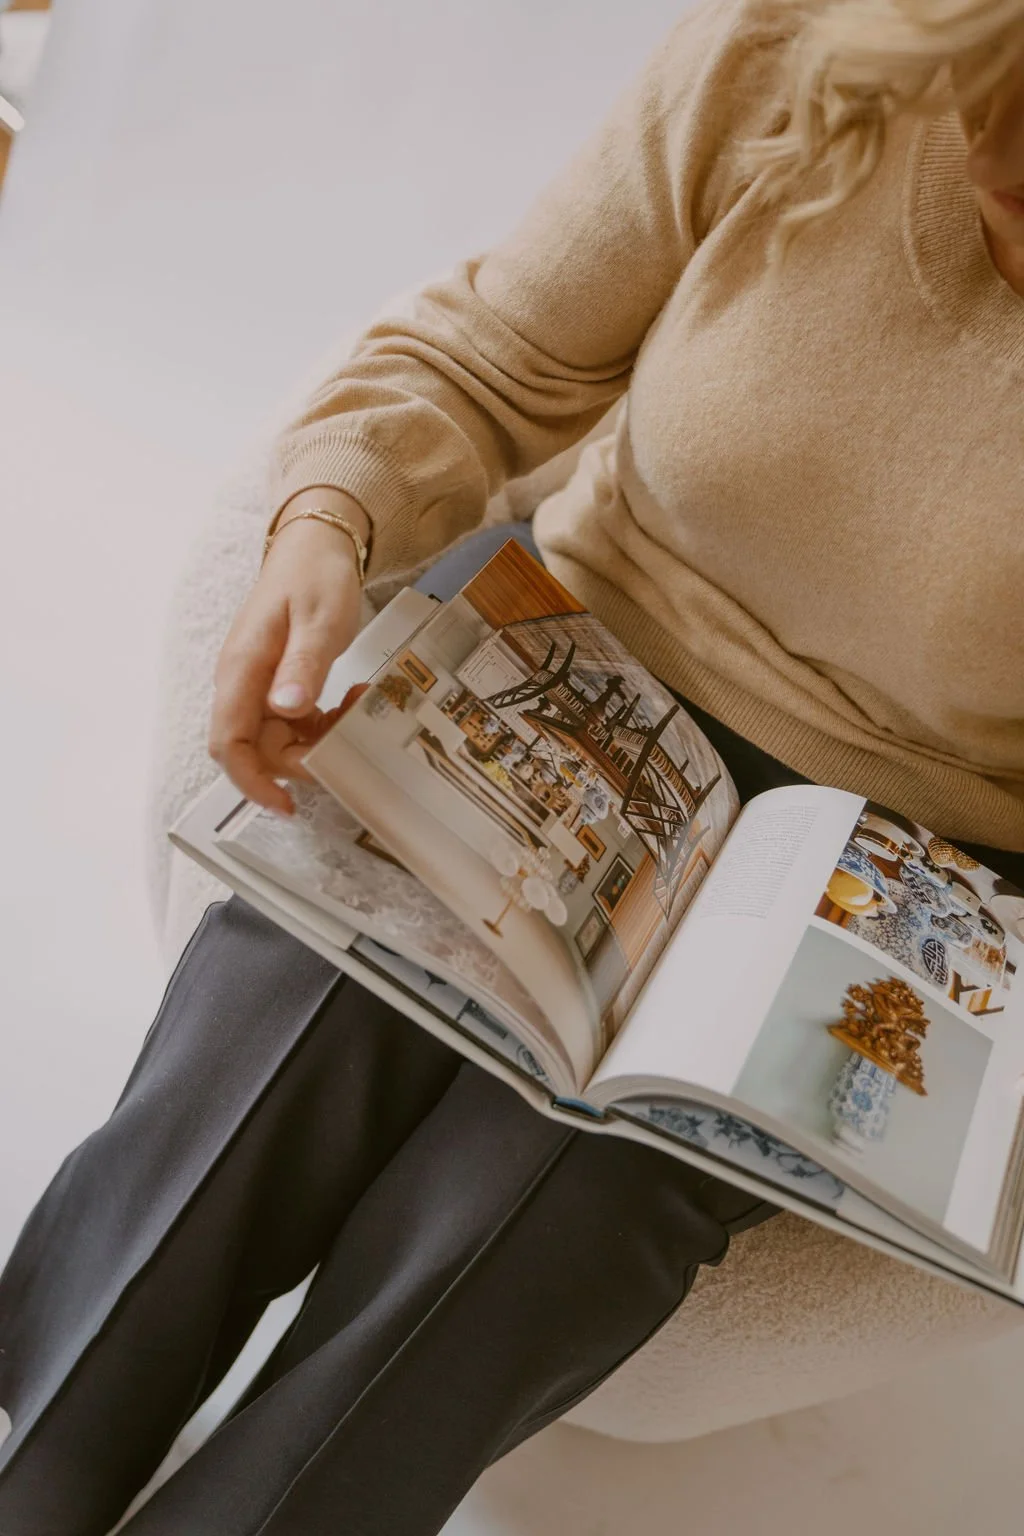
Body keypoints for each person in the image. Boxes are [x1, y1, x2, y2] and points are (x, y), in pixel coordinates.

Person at [3, 0, 1024, 1528]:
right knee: (271, 1062)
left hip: (905, 855)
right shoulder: (796, 50)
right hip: (580, 655)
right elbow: (489, 353)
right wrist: (322, 524)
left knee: (520, 1238)